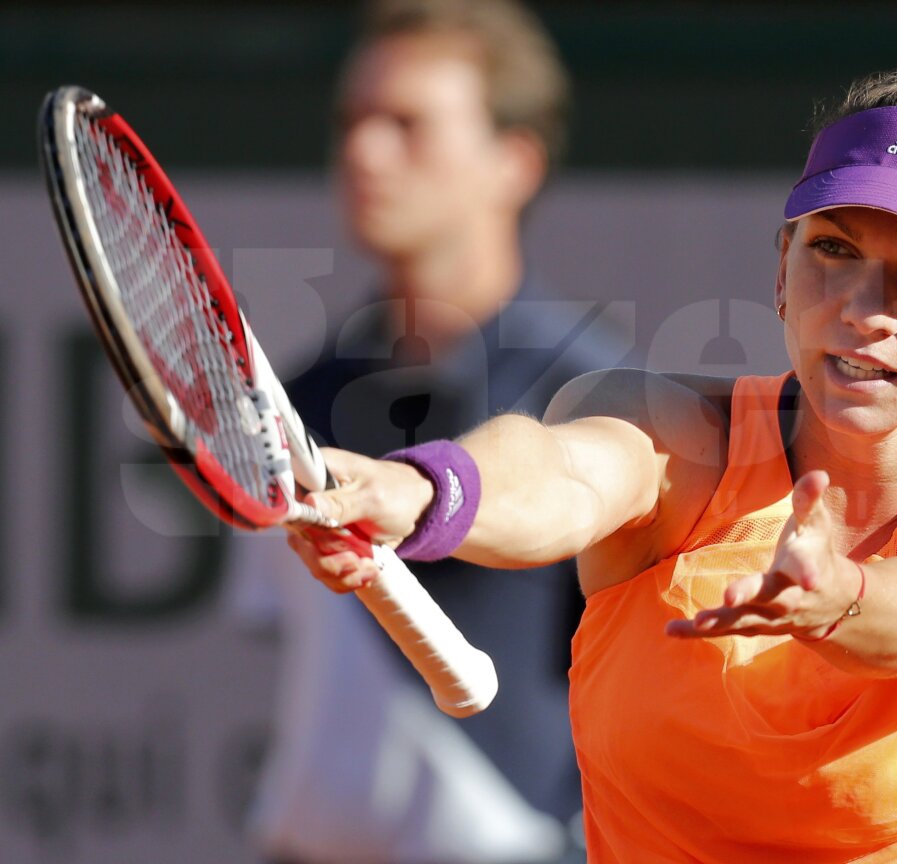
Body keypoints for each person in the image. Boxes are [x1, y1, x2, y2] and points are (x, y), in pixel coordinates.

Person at [288, 47, 897, 863]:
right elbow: (563, 471)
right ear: (782, 270)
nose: (862, 307)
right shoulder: (670, 432)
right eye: (834, 249)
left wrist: (844, 597)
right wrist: (424, 490)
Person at [234, 1, 625, 861]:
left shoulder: (600, 401)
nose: (364, 151)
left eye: (408, 124)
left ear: (514, 161)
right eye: (353, 121)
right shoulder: (299, 397)